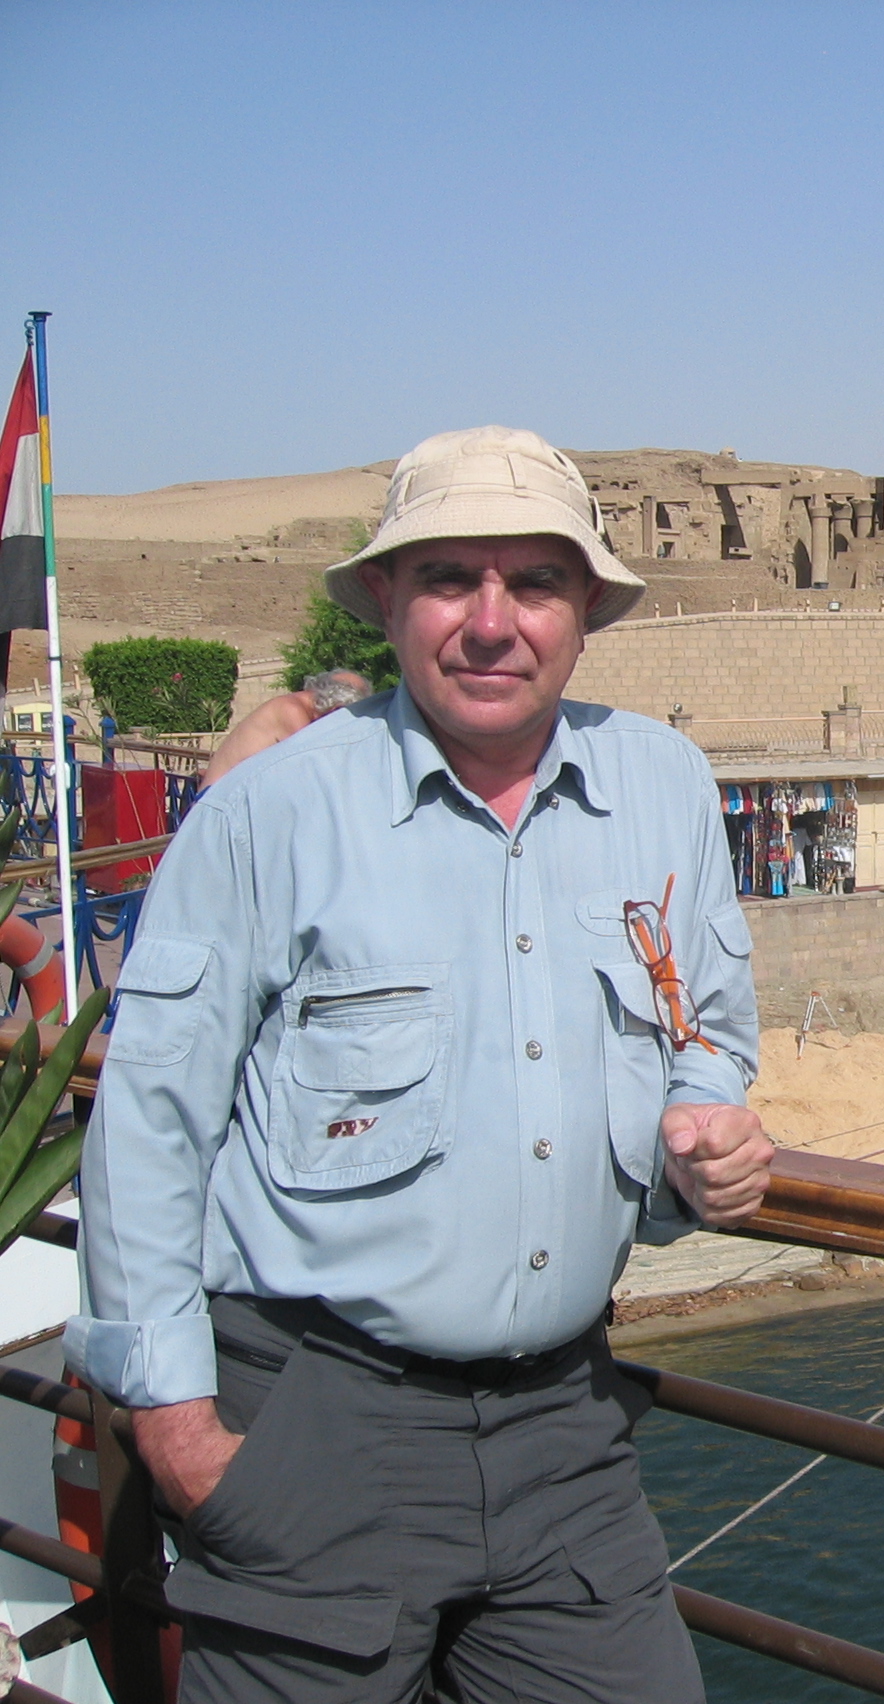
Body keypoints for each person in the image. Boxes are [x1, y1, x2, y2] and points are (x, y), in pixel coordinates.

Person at [67, 426, 768, 1703]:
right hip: (320, 1419)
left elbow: (707, 1022)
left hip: (569, 1432)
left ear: (586, 613)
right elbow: (149, 1124)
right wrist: (177, 1432)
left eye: (535, 584)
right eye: (451, 577)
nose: (491, 623)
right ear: (387, 599)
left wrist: (705, 1122)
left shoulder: (663, 787)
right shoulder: (270, 814)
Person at [201, 669, 373, 787]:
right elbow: (312, 769)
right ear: (337, 708)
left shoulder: (298, 707)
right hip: (219, 807)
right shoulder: (292, 711)